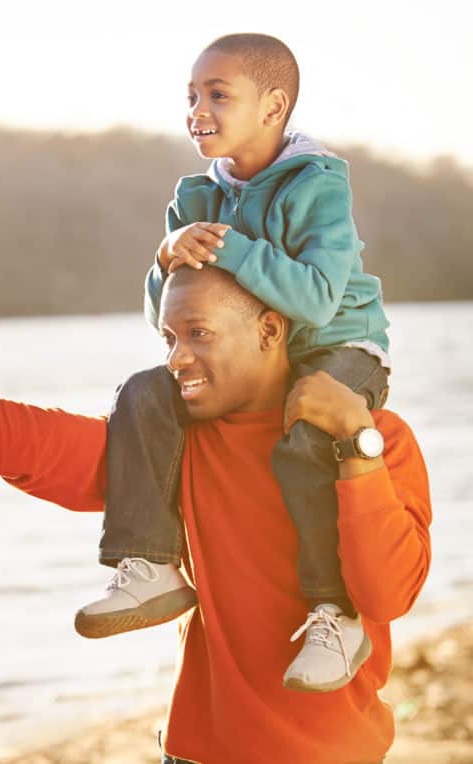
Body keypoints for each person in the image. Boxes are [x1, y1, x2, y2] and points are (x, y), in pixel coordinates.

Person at [0, 265, 430, 764]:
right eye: (169, 336)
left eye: (199, 334)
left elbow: (385, 592)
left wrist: (355, 445)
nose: (177, 359)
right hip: (194, 753)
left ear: (269, 330)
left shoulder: (378, 438)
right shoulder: (171, 446)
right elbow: (29, 440)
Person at [80, 32, 392, 694]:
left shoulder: (317, 185)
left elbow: (316, 298)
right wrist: (167, 256)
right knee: (141, 394)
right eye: (191, 96)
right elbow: (166, 319)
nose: (198, 110)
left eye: (218, 95)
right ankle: (153, 565)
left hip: (337, 350)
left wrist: (229, 251)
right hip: (250, 363)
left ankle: (337, 613)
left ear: (274, 106)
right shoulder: (194, 196)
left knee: (307, 436)